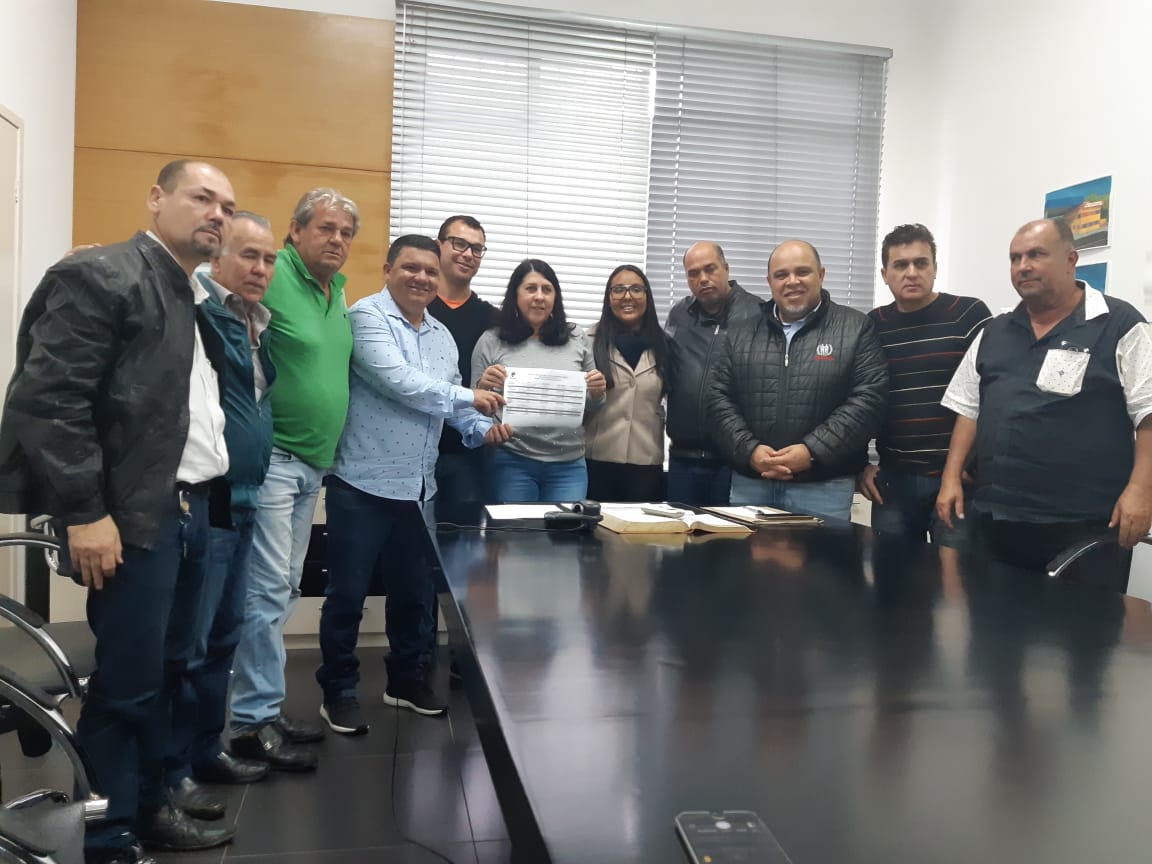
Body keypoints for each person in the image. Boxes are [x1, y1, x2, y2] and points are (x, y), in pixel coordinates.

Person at [0, 159, 237, 862]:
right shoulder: (102, 275)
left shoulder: (188, 293)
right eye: (202, 197)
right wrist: (84, 511)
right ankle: (107, 834)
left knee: (169, 668)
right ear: (157, 198)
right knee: (129, 685)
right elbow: (49, 401)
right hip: (132, 515)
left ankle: (153, 801)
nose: (217, 214)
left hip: (189, 507)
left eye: (228, 206)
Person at [316, 235, 511, 733]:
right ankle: (338, 691)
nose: (421, 277)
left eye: (429, 271)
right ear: (388, 270)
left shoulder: (442, 336)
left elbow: (450, 409)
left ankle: (405, 680)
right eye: (410, 268)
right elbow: (402, 382)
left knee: (415, 593)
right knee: (348, 596)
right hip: (361, 483)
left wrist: (482, 429)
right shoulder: (367, 317)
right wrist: (471, 397)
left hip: (419, 486)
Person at [937, 218, 1152, 590]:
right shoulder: (994, 331)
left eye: (1036, 254)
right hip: (996, 521)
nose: (1023, 266)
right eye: (1015, 258)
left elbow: (1148, 413)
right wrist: (950, 477)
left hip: (1084, 525)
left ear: (1071, 259)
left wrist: (1142, 491)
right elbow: (968, 409)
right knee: (992, 625)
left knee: (1085, 625)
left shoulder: (1120, 324)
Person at [229, 188, 358, 772]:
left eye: (346, 233)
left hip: (313, 466)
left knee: (283, 589)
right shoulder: (274, 271)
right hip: (275, 458)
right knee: (266, 590)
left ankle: (262, 707)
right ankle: (249, 722)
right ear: (296, 230)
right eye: (326, 228)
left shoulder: (337, 291)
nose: (337, 240)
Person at [162, 212, 279, 821]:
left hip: (246, 499)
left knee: (226, 634)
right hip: (207, 499)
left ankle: (207, 751)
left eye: (269, 259)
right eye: (248, 255)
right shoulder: (200, 309)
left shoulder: (257, 320)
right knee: (191, 642)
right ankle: (172, 773)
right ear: (217, 257)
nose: (260, 268)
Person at [706, 239, 888, 521]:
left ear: (821, 275)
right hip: (751, 485)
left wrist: (811, 451)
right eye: (781, 275)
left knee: (823, 553)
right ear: (769, 281)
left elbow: (868, 401)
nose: (792, 281)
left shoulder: (855, 328)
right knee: (747, 553)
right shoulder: (741, 333)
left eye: (802, 272)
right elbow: (717, 399)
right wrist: (750, 451)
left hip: (824, 488)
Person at [857, 224, 991, 545]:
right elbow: (857, 398)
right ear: (885, 274)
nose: (912, 273)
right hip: (893, 481)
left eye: (921, 263)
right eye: (900, 265)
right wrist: (860, 464)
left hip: (958, 480)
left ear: (935, 268)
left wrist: (975, 464)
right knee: (893, 573)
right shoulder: (873, 324)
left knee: (954, 574)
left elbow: (994, 393)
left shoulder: (969, 314)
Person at [472, 259, 606, 502]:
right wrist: (483, 387)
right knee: (516, 527)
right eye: (530, 288)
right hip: (511, 461)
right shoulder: (491, 340)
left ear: (556, 297)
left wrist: (597, 392)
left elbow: (593, 404)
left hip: (569, 465)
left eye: (547, 289)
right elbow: (472, 409)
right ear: (515, 295)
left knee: (566, 527)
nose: (539, 296)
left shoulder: (577, 337)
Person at [665, 242, 762, 505]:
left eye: (710, 269)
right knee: (678, 530)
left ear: (726, 268)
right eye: (693, 273)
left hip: (733, 461)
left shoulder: (757, 314)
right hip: (682, 459)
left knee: (728, 532)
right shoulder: (679, 314)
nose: (703, 279)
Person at [428, 215, 500, 503]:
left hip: (467, 452)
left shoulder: (493, 320)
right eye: (459, 243)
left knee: (462, 529)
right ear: (438, 246)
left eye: (477, 248)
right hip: (411, 446)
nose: (468, 254)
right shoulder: (415, 307)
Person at [584, 265, 669, 502]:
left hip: (646, 463)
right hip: (597, 461)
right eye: (619, 289)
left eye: (636, 289)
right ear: (609, 297)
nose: (627, 296)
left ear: (647, 296)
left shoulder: (665, 345)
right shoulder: (587, 341)